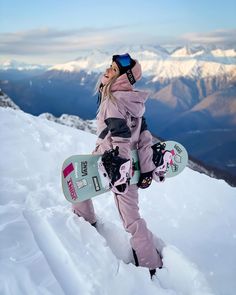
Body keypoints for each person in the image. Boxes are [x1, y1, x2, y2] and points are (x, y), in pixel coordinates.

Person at [72, 53, 163, 278]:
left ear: (124, 78)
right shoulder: (135, 101)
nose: (108, 70)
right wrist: (147, 168)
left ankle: (84, 222)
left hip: (110, 163)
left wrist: (118, 172)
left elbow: (120, 138)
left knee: (78, 182)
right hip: (130, 164)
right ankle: (151, 262)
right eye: (110, 66)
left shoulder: (113, 101)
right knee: (132, 218)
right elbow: (144, 137)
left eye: (115, 69)